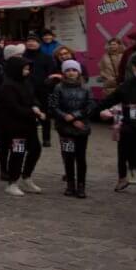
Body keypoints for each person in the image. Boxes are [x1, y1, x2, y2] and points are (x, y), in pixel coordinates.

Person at [96, 50, 136, 210]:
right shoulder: (127, 85)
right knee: (128, 156)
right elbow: (108, 101)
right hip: (131, 131)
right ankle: (126, 178)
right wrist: (89, 113)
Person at [0, 55, 44, 197]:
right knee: (18, 153)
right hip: (15, 128)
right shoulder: (7, 86)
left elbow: (33, 97)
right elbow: (13, 107)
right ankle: (12, 182)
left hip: (29, 125)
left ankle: (26, 177)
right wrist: (33, 112)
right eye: (25, 69)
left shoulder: (26, 82)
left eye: (28, 69)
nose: (27, 71)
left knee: (36, 149)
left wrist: (36, 106)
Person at [48, 59, 91, 198]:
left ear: (79, 72)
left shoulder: (86, 88)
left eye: (74, 70)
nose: (71, 73)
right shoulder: (58, 87)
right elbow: (53, 106)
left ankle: (81, 185)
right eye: (68, 70)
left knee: (81, 157)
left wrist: (75, 116)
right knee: (68, 156)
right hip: (65, 128)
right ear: (63, 72)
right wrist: (65, 116)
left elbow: (90, 105)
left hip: (81, 127)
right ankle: (70, 184)